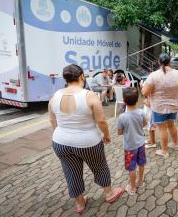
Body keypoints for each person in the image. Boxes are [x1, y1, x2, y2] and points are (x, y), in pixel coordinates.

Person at [49, 64, 124, 214]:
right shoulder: (88, 95)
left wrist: (62, 135)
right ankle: (109, 193)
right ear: (82, 76)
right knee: (99, 166)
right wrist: (107, 136)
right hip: (87, 141)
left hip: (60, 142)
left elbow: (52, 121)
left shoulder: (55, 95)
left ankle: (80, 203)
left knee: (71, 172)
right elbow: (101, 120)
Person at [142, 54, 178, 158]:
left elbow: (144, 92)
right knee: (171, 125)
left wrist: (142, 86)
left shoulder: (154, 75)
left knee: (162, 128)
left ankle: (164, 151)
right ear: (170, 62)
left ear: (159, 62)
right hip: (174, 105)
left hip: (159, 107)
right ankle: (175, 144)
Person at [116, 87, 147, 195]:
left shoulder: (122, 117)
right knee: (141, 163)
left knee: (131, 167)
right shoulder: (141, 112)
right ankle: (140, 182)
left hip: (129, 146)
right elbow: (144, 124)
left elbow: (119, 132)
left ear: (124, 101)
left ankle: (133, 188)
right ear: (137, 100)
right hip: (141, 143)